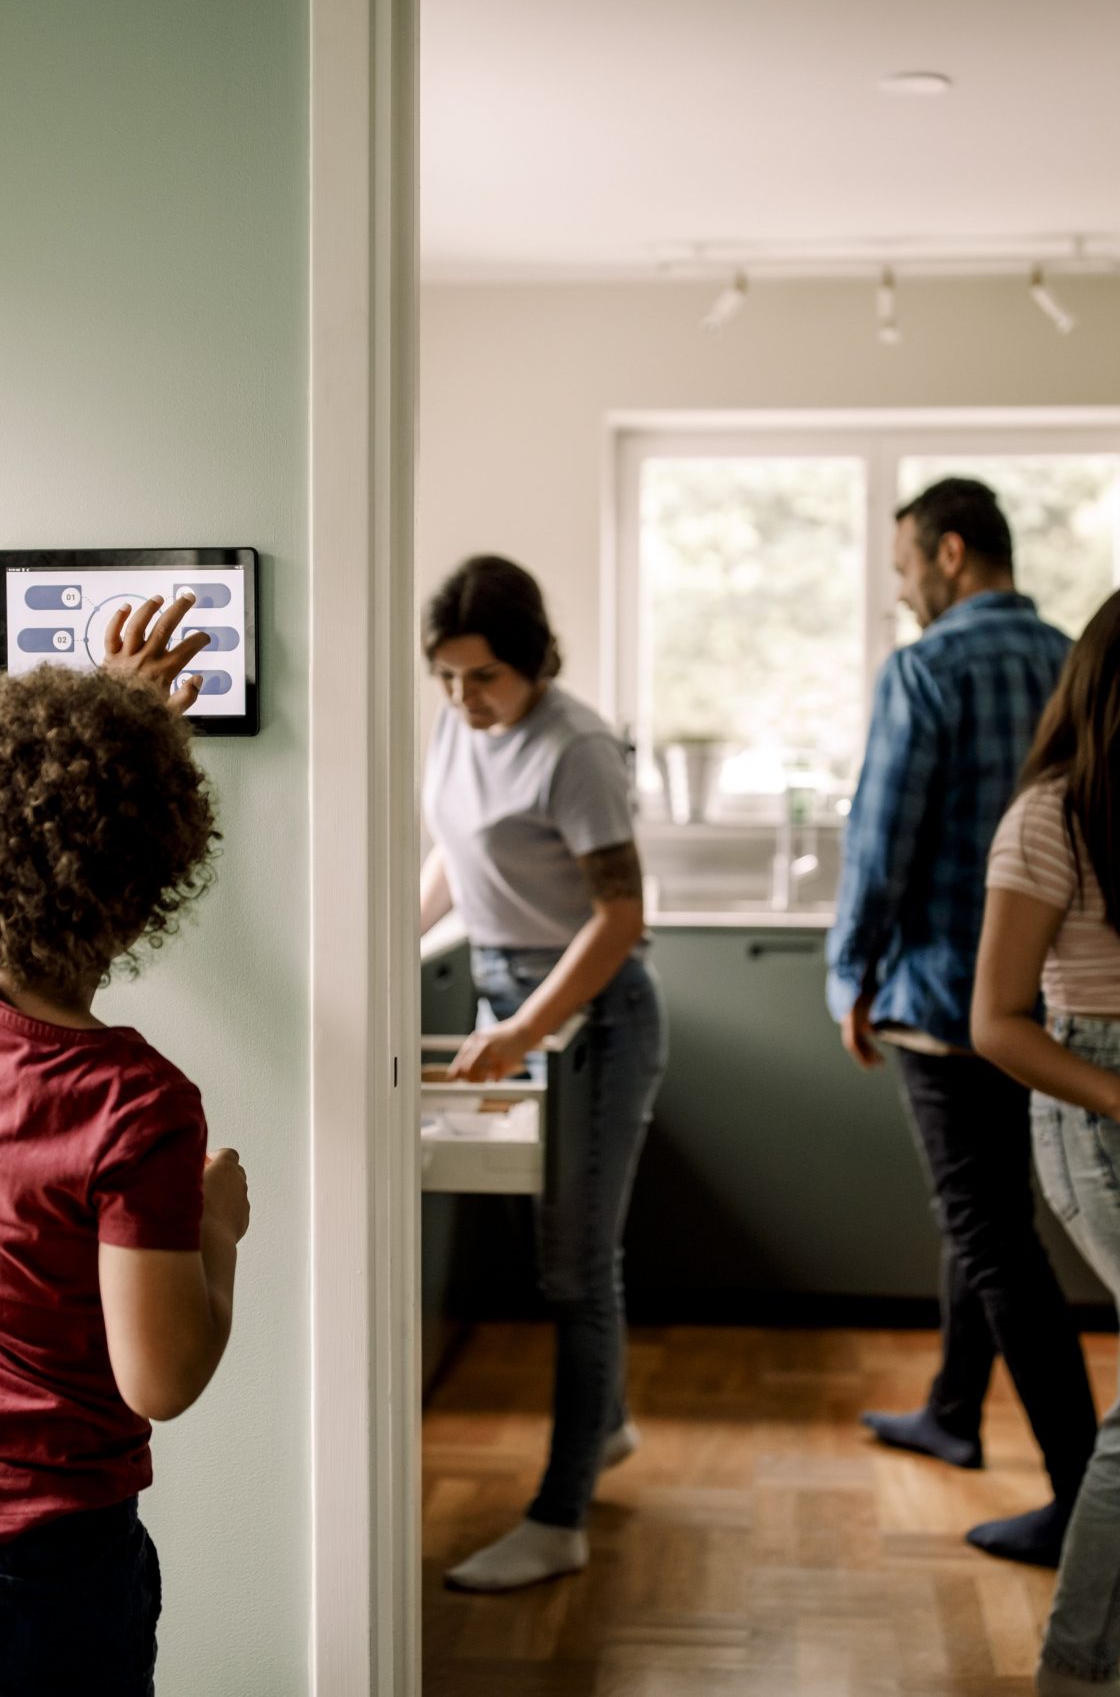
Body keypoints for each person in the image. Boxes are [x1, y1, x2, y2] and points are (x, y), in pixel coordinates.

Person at [0, 595, 249, 1695]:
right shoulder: (135, 1104)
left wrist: (109, 707)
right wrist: (220, 1233)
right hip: (47, 1563)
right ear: (150, 887)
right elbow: (160, 1377)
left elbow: (5, 843)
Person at [828, 476, 1100, 1565]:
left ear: (947, 554)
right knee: (986, 1207)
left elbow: (879, 842)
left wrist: (849, 973)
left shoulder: (926, 668)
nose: (900, 595)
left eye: (901, 570)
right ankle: (950, 1408)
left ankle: (1081, 1496)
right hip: (1050, 1002)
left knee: (990, 1234)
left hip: (944, 999)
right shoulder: (1079, 662)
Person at [969, 570, 1120, 1697]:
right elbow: (994, 1023)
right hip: (1103, 1112)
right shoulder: (1051, 817)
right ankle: (1078, 1664)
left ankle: (1077, 1668)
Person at [419, 553, 665, 1593]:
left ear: (531, 663)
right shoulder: (460, 725)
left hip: (590, 1019)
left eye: (483, 679)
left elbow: (620, 917)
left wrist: (522, 1026)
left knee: (575, 1270)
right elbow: (455, 858)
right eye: (447, 679)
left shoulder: (576, 748)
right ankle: (600, 1427)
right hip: (508, 999)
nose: (465, 700)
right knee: (548, 1249)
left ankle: (559, 1517)